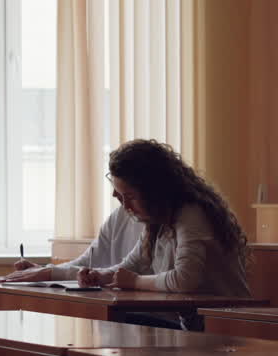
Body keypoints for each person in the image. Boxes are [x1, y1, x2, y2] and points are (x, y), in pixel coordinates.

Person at [78, 139, 251, 327]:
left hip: (228, 327)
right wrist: (99, 276)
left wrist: (135, 281)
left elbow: (185, 279)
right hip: (196, 326)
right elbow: (131, 265)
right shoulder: (157, 220)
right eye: (121, 197)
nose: (126, 207)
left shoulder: (191, 214)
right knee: (113, 325)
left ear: (154, 191)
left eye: (130, 197)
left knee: (123, 329)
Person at [1, 207, 142, 282]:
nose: (114, 193)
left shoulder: (155, 222)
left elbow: (126, 271)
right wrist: (44, 270)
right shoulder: (120, 214)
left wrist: (51, 273)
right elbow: (87, 262)